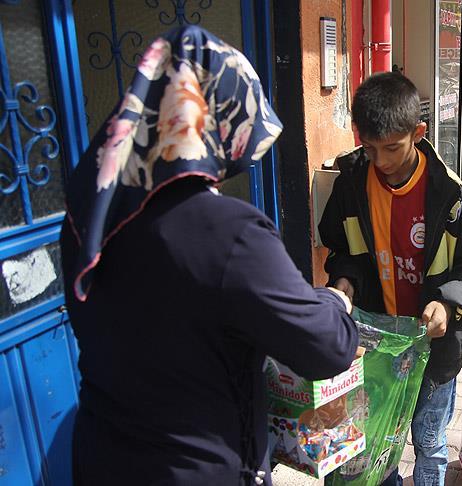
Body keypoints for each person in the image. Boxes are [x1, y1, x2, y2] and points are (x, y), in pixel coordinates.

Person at [60, 26, 359, 486]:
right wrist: (336, 301)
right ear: (219, 118)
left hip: (102, 459)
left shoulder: (89, 220)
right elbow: (327, 348)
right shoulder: (231, 233)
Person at [318, 72, 462, 486]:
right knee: (375, 438)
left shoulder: (449, 196)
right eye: (370, 148)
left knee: (429, 442)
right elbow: (342, 248)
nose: (381, 161)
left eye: (393, 148)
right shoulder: (352, 184)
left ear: (419, 132)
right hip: (375, 348)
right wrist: (344, 280)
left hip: (432, 352)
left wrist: (449, 305)